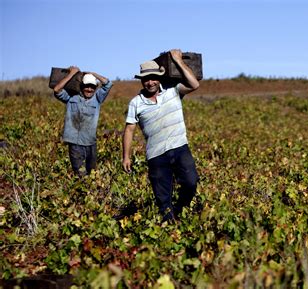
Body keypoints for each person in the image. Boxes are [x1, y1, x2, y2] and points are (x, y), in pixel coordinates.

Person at [122, 49, 200, 222]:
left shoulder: (173, 91)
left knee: (191, 182)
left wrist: (178, 61)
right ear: (142, 81)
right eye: (146, 79)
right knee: (162, 198)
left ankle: (179, 210)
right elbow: (129, 129)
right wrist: (126, 156)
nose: (150, 82)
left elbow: (194, 84)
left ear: (160, 77)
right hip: (156, 155)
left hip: (179, 147)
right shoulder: (135, 103)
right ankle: (169, 227)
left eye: (153, 78)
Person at [53, 66, 113, 176]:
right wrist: (72, 74)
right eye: (86, 86)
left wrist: (93, 73)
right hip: (75, 143)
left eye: (92, 87)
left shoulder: (97, 98)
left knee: (92, 173)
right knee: (80, 174)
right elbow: (57, 89)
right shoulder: (71, 98)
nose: (89, 89)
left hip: (90, 143)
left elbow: (108, 84)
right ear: (81, 86)